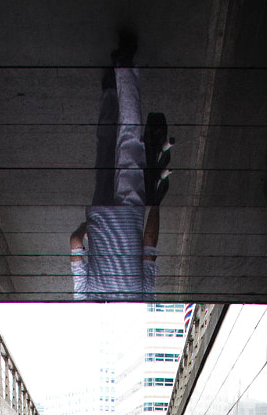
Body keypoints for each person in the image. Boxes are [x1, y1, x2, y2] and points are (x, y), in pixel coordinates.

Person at [70, 34, 171, 301]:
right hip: (100, 214)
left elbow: (149, 242)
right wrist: (88, 227)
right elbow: (75, 242)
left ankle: (124, 67)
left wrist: (157, 203)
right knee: (104, 151)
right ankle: (109, 91)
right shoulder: (87, 297)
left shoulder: (142, 296)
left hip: (130, 214)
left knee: (130, 140)